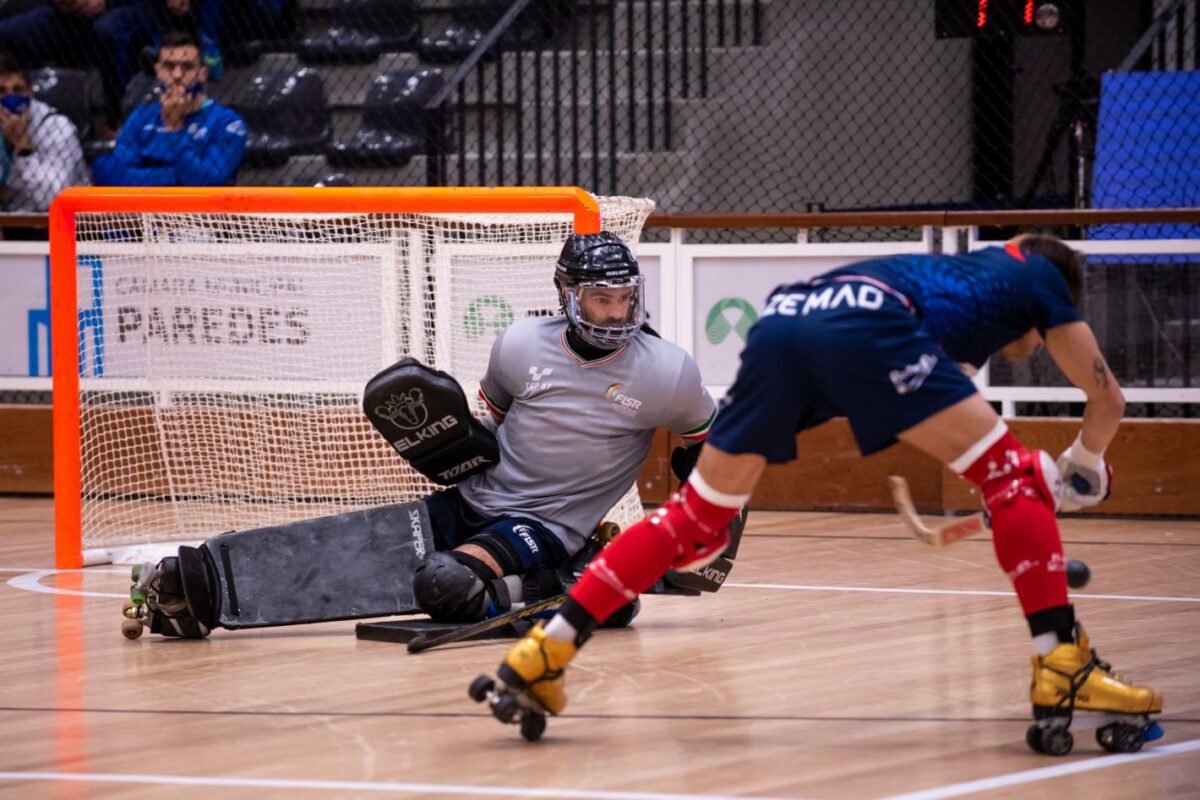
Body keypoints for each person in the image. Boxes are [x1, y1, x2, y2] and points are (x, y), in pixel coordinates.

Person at [479, 234, 1164, 756]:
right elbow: (1106, 397)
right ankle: (1062, 665)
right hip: (868, 327)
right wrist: (1083, 465)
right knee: (1013, 479)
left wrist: (1020, 482)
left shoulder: (957, 283)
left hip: (788, 320)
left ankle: (545, 653)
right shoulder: (1039, 273)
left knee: (697, 518)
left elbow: (941, 407)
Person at [136, 231, 719, 637]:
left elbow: (708, 447)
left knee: (443, 584)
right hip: (477, 500)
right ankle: (199, 588)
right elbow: (492, 420)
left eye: (624, 300)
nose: (616, 315)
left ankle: (562, 577)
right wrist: (455, 449)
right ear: (566, 295)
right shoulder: (520, 345)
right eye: (601, 299)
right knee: (355, 550)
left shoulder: (667, 371)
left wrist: (698, 537)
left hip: (546, 525)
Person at [92, 29, 244, 186]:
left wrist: (174, 128)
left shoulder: (226, 122)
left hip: (196, 209)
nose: (177, 75)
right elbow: (116, 176)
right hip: (141, 208)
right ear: (158, 71)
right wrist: (177, 179)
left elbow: (205, 181)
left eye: (187, 67)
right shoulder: (141, 115)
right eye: (169, 66)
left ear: (203, 74)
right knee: (103, 165)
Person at [0, 52, 87, 211]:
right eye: (2, 91)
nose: (10, 98)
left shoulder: (58, 127)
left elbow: (53, 199)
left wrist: (23, 148)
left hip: (60, 224)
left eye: (17, 89)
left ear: (29, 92)